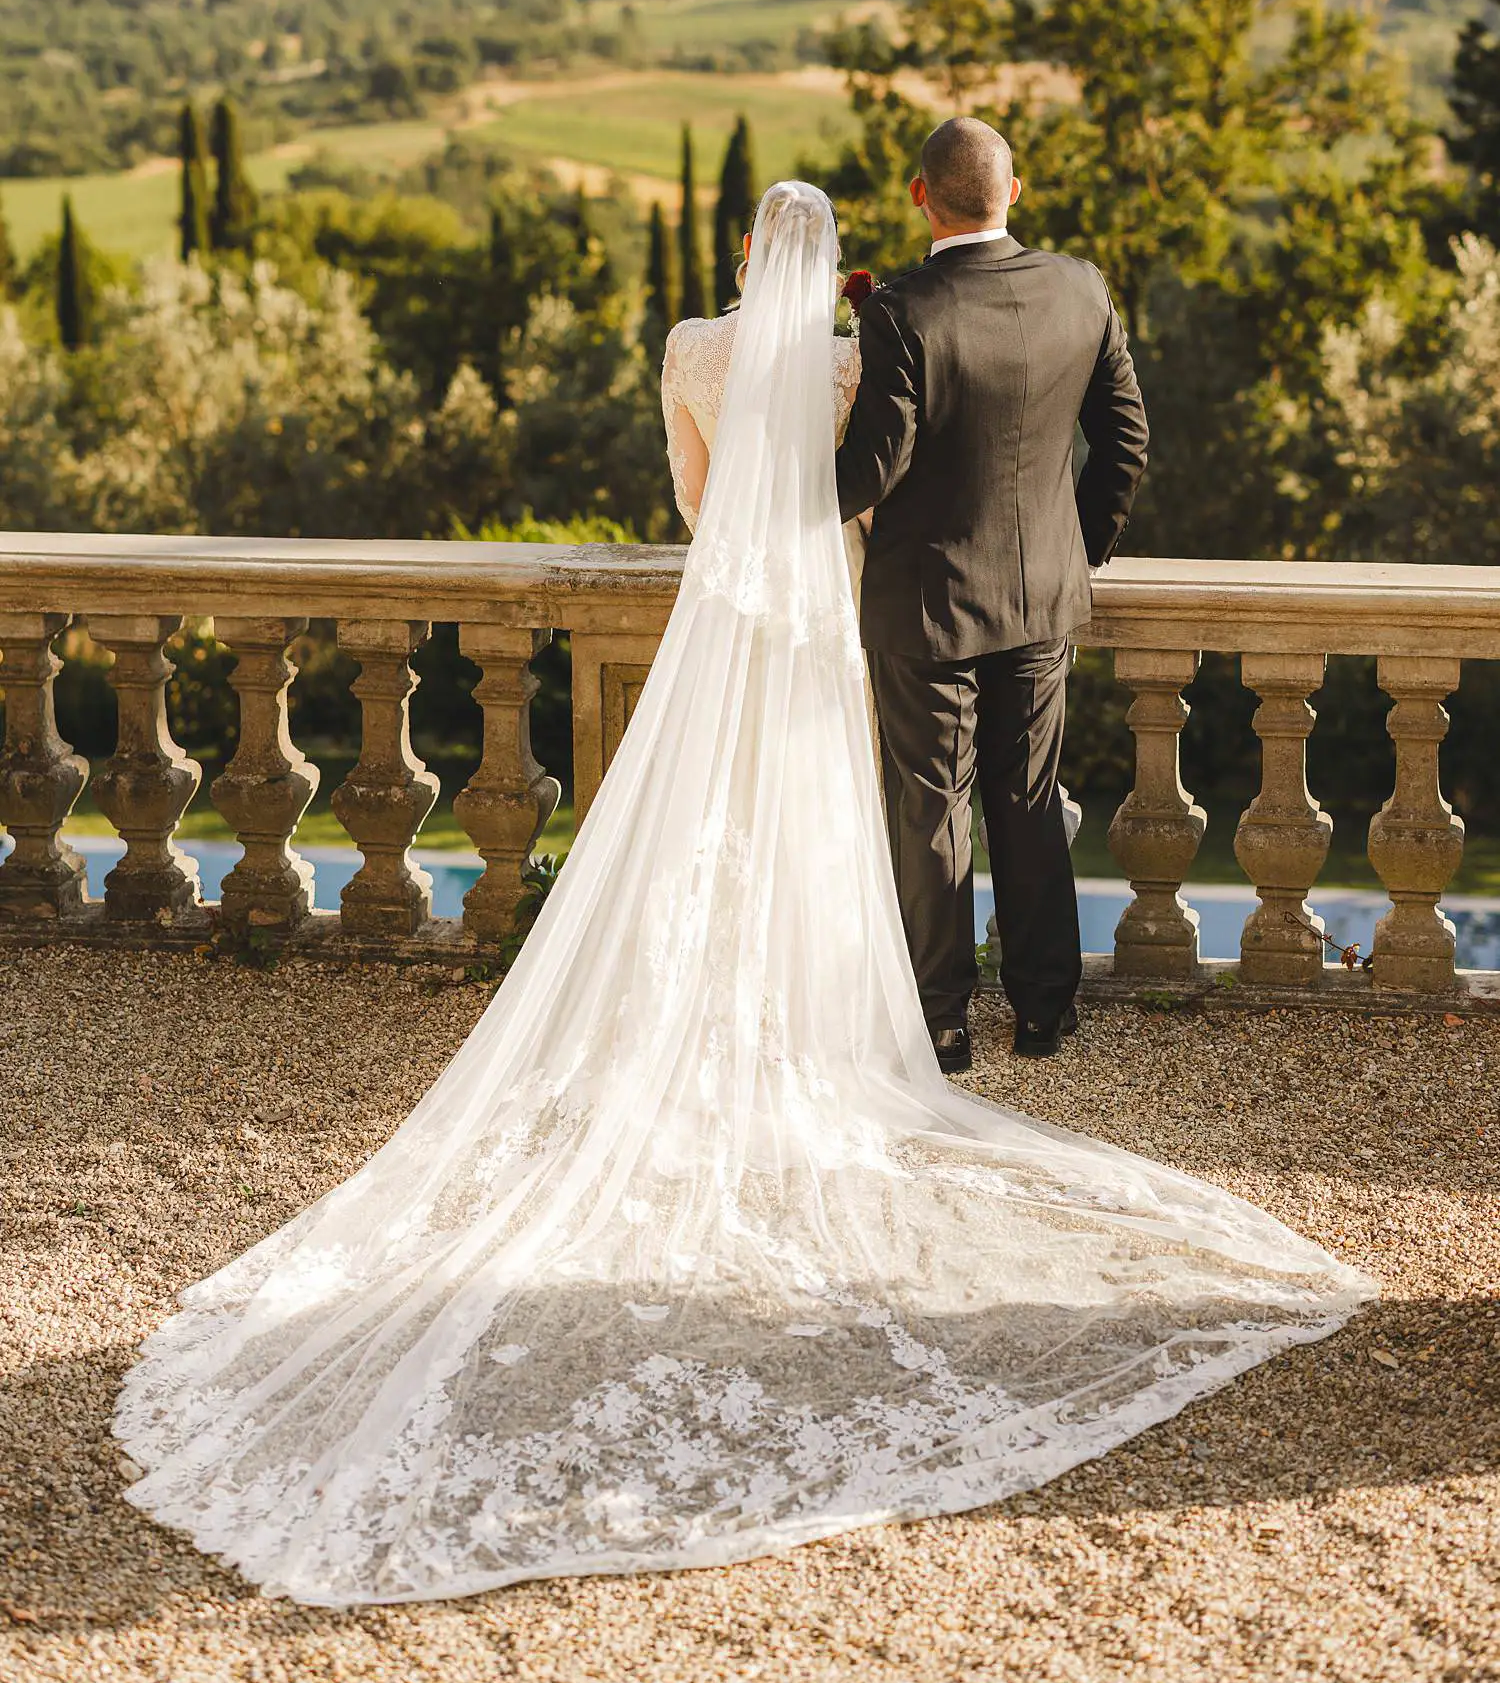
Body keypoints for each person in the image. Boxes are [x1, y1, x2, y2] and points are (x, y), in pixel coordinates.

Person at [115, 180, 1368, 1607]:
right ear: (838, 260)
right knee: (899, 819)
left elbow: (698, 498)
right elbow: (930, 458)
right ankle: (977, 1015)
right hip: (865, 609)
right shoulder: (882, 340)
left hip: (742, 611)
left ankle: (858, 1012)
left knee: (740, 826)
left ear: (745, 256)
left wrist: (771, 519)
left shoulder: (700, 352)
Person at [837, 118, 1148, 1071]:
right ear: (1015, 192)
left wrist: (770, 487)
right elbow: (1126, 443)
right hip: (1041, 600)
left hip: (924, 605)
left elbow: (871, 471)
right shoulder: (1081, 288)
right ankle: (1046, 1009)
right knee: (1026, 794)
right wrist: (1071, 553)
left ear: (921, 196)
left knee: (931, 808)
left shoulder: (903, 310)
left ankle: (942, 1021)